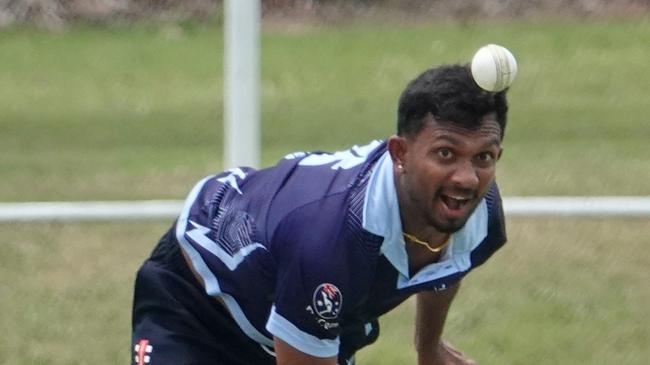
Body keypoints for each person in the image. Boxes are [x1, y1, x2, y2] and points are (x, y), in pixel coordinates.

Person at [131, 63, 509, 365]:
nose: (465, 178)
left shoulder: (478, 213)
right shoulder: (330, 239)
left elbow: (446, 267)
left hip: (302, 317)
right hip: (198, 308)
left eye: (483, 157)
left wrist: (429, 346)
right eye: (445, 154)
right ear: (400, 154)